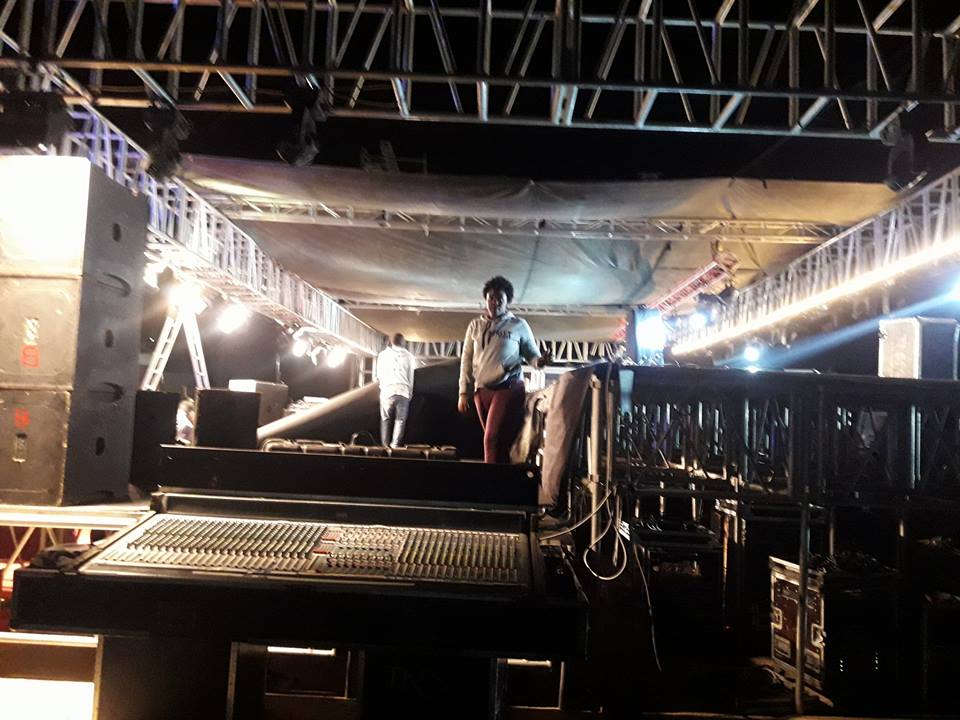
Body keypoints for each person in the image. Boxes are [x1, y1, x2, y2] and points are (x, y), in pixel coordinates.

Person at [458, 276, 549, 463]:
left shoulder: (518, 325)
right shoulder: (475, 325)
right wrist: (463, 392)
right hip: (481, 389)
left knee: (490, 438)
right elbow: (466, 359)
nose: (495, 302)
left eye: (500, 298)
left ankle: (490, 478)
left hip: (508, 386)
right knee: (497, 442)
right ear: (485, 300)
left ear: (508, 301)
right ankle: (504, 477)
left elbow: (532, 355)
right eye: (491, 298)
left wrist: (540, 361)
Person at [376, 333, 416, 447]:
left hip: (387, 391)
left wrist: (382, 387)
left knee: (385, 419)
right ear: (403, 343)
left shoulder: (382, 355)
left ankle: (385, 445)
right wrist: (410, 392)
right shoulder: (409, 356)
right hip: (403, 390)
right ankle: (394, 445)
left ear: (391, 342)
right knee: (400, 420)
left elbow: (379, 374)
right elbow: (411, 376)